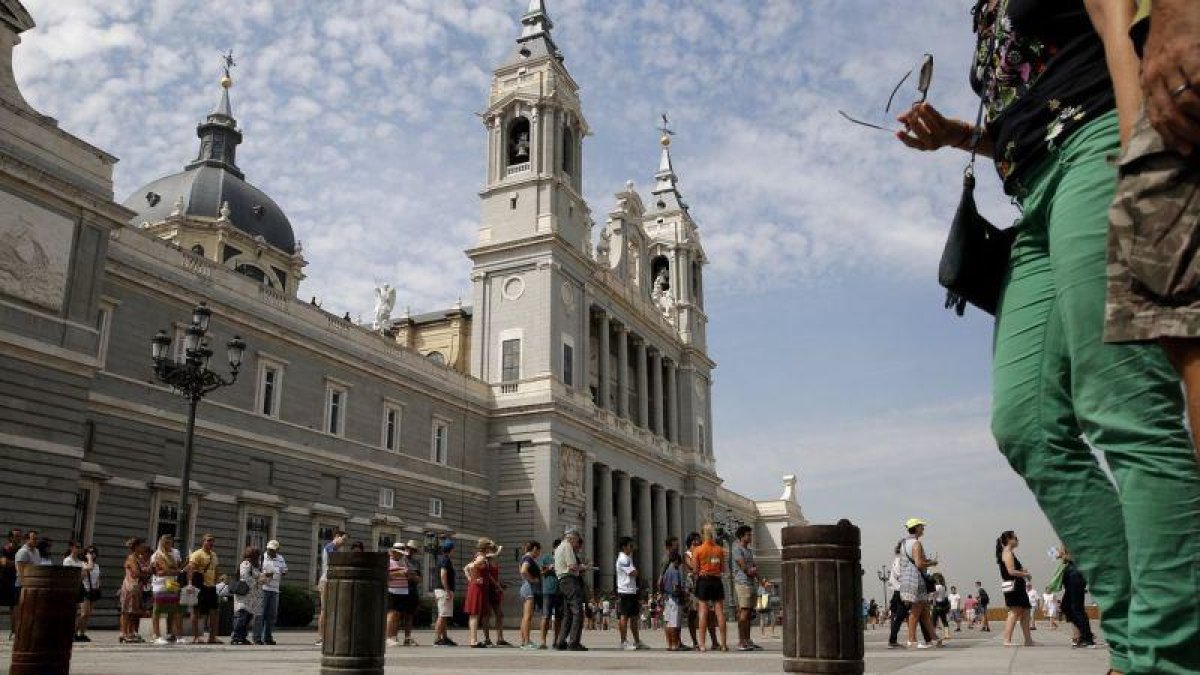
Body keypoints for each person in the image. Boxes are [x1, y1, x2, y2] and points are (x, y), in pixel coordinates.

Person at [897, 1, 1200, 673]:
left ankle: (1168, 655)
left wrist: (1139, 149)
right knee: (1026, 423)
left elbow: (1123, 23)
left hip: (1098, 142)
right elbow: (1026, 99)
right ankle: (1129, 632)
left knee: (1124, 406)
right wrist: (958, 134)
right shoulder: (984, 11)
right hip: (1032, 196)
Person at [898, 519, 941, 649]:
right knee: (916, 611)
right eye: (921, 527)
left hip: (908, 578)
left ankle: (934, 638)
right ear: (916, 528)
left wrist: (924, 561)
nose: (923, 529)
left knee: (925, 610)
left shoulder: (904, 543)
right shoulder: (916, 543)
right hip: (916, 579)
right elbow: (919, 564)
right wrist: (931, 563)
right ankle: (912, 640)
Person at [691, 523, 728, 652]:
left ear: (702, 534)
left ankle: (702, 644)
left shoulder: (698, 550)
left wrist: (700, 570)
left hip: (704, 581)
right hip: (716, 581)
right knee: (719, 612)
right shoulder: (720, 550)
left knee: (703, 612)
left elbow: (695, 570)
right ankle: (723, 644)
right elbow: (723, 569)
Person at [996, 531, 1034, 647]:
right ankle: (1007, 640)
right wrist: (1025, 574)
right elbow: (1011, 571)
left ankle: (1028, 640)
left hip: (1018, 586)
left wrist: (1023, 571)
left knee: (1026, 611)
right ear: (1008, 539)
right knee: (1014, 612)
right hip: (1014, 586)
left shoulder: (1010, 553)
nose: (1017, 540)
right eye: (1015, 538)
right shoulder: (1007, 552)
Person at [553, 528, 587, 651]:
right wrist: (582, 567)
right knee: (578, 611)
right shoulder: (567, 546)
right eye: (576, 541)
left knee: (567, 614)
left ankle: (560, 641)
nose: (576, 544)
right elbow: (572, 566)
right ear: (572, 538)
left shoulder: (558, 548)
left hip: (562, 581)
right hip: (569, 580)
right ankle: (574, 642)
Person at [683, 531, 718, 649]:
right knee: (692, 614)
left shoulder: (703, 552)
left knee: (710, 614)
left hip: (705, 583)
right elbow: (693, 567)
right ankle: (695, 642)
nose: (699, 542)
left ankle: (714, 641)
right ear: (691, 542)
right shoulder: (688, 554)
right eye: (696, 540)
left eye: (700, 540)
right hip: (693, 586)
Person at [1058, 545, 1097, 648]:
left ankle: (1087, 639)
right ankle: (1087, 634)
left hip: (1076, 576)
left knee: (1077, 608)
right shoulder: (1065, 542)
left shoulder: (1075, 540)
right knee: (1065, 607)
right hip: (1070, 575)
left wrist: (1065, 556)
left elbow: (1082, 559)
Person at [731, 525, 762, 651]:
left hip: (750, 583)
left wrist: (761, 581)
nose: (751, 537)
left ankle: (748, 640)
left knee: (748, 613)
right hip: (742, 583)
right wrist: (751, 571)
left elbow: (753, 567)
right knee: (743, 613)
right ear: (742, 536)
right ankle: (741, 641)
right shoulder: (737, 549)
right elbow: (744, 567)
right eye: (748, 535)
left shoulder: (748, 551)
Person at [150, 534, 185, 645]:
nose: (167, 544)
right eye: (165, 542)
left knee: (176, 610)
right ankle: (157, 635)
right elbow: (162, 571)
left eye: (169, 542)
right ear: (161, 542)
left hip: (172, 583)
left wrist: (176, 570)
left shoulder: (175, 552)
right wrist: (177, 570)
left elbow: (178, 566)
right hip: (160, 584)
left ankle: (177, 635)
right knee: (158, 610)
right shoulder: (157, 554)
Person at [62, 542, 100, 642]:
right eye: (77, 547)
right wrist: (90, 559)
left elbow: (90, 576)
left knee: (87, 614)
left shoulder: (82, 562)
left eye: (80, 547)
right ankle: (73, 633)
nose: (78, 549)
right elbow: (86, 570)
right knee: (83, 613)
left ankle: (81, 633)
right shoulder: (73, 561)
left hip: (86, 589)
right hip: (78, 589)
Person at [315, 529, 346, 647]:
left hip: (332, 582)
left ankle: (328, 636)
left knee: (331, 610)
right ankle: (321, 638)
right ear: (337, 536)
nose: (344, 543)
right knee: (324, 610)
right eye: (343, 539)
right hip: (326, 581)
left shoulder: (334, 549)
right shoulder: (329, 547)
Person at [188, 534, 221, 644]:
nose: (211, 543)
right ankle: (195, 636)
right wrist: (190, 584)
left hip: (211, 587)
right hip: (199, 586)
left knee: (214, 612)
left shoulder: (214, 555)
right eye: (208, 540)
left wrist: (216, 581)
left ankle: (212, 637)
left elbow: (216, 569)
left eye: (212, 541)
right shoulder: (197, 554)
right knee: (196, 611)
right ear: (203, 541)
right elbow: (191, 569)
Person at [615, 537, 645, 651]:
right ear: (624, 547)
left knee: (634, 617)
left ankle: (637, 641)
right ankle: (623, 641)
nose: (632, 548)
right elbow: (634, 573)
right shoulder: (623, 559)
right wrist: (636, 571)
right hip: (625, 591)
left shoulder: (628, 558)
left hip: (631, 590)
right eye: (630, 546)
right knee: (624, 616)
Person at [255, 539, 287, 646]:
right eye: (269, 549)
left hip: (275, 589)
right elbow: (257, 572)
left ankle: (267, 637)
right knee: (260, 614)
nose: (271, 551)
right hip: (263, 588)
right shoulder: (262, 558)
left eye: (273, 550)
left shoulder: (280, 558)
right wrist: (266, 574)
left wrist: (280, 572)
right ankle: (257, 638)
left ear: (277, 550)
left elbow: (285, 570)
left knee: (271, 615)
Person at [230, 546, 263, 645]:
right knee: (241, 616)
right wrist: (258, 580)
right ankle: (236, 637)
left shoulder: (255, 566)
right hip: (243, 595)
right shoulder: (246, 563)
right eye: (257, 554)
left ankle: (242, 637)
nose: (259, 557)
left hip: (251, 597)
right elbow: (245, 578)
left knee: (247, 617)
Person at [464, 538, 492, 648]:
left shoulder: (478, 556)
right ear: (487, 547)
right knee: (475, 614)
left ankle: (472, 639)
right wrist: (475, 578)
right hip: (478, 588)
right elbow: (472, 566)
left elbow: (465, 568)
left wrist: (470, 579)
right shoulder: (481, 557)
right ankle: (473, 641)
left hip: (474, 586)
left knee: (473, 615)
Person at [119, 538, 147, 643]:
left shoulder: (138, 558)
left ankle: (130, 632)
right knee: (127, 611)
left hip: (136, 587)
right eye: (142, 545)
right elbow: (135, 573)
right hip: (130, 586)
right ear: (136, 547)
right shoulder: (132, 558)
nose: (143, 547)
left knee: (133, 611)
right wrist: (146, 572)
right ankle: (124, 633)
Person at [385, 541, 414, 647]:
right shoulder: (388, 561)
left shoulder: (402, 562)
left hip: (402, 590)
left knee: (397, 615)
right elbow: (386, 575)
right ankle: (388, 637)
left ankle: (393, 636)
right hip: (392, 590)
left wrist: (409, 575)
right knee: (391, 614)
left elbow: (406, 574)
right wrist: (400, 573)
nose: (402, 554)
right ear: (394, 552)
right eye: (400, 552)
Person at [482, 541, 509, 646]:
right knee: (486, 614)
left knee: (499, 614)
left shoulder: (494, 562)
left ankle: (500, 638)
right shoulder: (486, 561)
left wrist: (500, 584)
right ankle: (487, 638)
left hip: (495, 590)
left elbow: (495, 576)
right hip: (488, 589)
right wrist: (498, 586)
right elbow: (488, 576)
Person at [518, 541, 542, 649]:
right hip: (529, 588)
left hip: (525, 587)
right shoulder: (528, 558)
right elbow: (523, 570)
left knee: (525, 617)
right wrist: (532, 579)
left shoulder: (524, 558)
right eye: (538, 551)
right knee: (528, 616)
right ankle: (527, 642)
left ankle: (524, 641)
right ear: (534, 549)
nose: (539, 554)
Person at [434, 539, 457, 647]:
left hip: (441, 590)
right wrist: (447, 590)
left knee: (444, 615)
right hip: (443, 590)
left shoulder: (442, 558)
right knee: (442, 615)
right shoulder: (445, 560)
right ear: (451, 549)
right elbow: (443, 575)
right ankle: (437, 639)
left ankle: (444, 637)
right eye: (453, 549)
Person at [538, 538, 560, 649]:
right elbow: (541, 572)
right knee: (546, 616)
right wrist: (549, 568)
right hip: (548, 590)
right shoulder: (547, 558)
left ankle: (556, 641)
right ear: (555, 548)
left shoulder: (563, 558)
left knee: (558, 617)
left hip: (560, 591)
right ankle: (543, 641)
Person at [0, 529, 20, 637]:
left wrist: (11, 563)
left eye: (20, 536)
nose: (19, 538)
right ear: (11, 537)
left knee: (15, 606)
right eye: (17, 536)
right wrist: (17, 564)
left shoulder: (20, 550)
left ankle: (14, 632)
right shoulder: (4, 549)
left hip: (15, 581)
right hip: (3, 580)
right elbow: (3, 562)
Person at [931, 574, 951, 641]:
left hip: (937, 604)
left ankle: (933, 635)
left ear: (937, 579)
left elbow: (934, 595)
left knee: (933, 621)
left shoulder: (937, 587)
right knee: (944, 620)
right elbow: (945, 596)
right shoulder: (944, 586)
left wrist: (933, 604)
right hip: (942, 605)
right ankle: (947, 634)